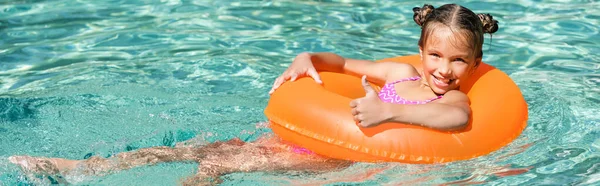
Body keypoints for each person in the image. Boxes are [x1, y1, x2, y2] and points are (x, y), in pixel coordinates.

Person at [9, 4, 498, 186]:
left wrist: (387, 109)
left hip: (330, 160)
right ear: (421, 49)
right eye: (437, 56)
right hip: (306, 139)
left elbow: (453, 121)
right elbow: (340, 64)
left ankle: (79, 172)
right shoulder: (397, 69)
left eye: (459, 61)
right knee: (202, 153)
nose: (445, 70)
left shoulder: (454, 100)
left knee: (217, 160)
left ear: (475, 63)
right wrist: (308, 58)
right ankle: (83, 170)